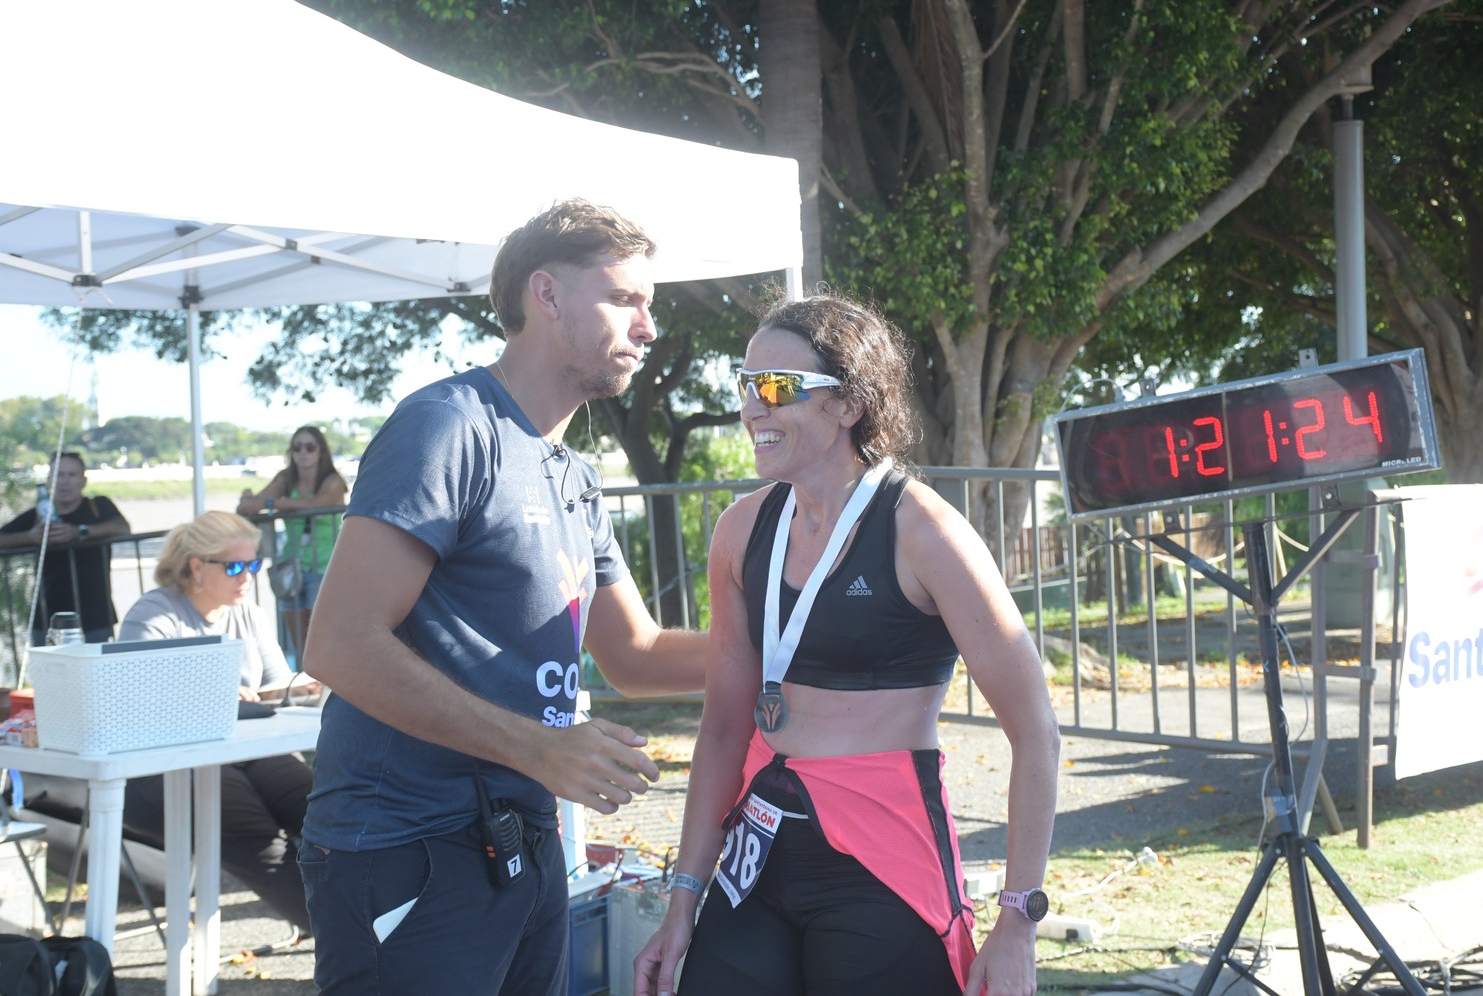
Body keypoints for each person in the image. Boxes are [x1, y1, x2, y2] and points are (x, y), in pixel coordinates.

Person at [299, 198, 708, 996]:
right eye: (625, 298)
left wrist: (799, 645)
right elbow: (339, 643)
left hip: (518, 836)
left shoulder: (574, 473)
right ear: (545, 295)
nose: (647, 328)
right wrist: (534, 746)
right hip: (405, 843)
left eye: (648, 306)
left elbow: (634, 654)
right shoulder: (446, 426)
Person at [633, 293, 1062, 996]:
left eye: (775, 388)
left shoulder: (923, 530)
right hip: (760, 850)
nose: (752, 408)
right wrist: (682, 900)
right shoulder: (741, 531)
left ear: (848, 403)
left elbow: (1036, 732)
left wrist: (1017, 922)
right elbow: (720, 730)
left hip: (882, 853)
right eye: (744, 386)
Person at [27, 510, 317, 934]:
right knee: (256, 838)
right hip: (166, 765)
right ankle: (348, 940)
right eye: (235, 566)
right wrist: (217, 696)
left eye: (254, 564)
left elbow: (278, 689)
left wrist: (307, 685)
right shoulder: (154, 612)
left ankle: (376, 922)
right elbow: (143, 699)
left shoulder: (249, 614)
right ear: (197, 567)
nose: (248, 577)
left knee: (322, 807)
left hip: (245, 748)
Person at [237, 425, 349, 661]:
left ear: (321, 451)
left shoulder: (333, 481)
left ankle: (325, 689)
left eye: (310, 447)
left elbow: (318, 504)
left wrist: (273, 503)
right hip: (292, 565)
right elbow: (250, 506)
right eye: (297, 447)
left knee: (322, 636)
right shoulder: (285, 479)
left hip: (325, 566)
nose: (303, 452)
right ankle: (305, 683)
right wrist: (249, 498)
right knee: (298, 639)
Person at [0, 451, 130, 643]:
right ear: (49, 481)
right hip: (48, 618)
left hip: (95, 616)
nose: (65, 481)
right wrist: (29, 536)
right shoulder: (37, 516)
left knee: (96, 671)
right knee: (48, 672)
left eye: (71, 475)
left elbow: (122, 527)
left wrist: (80, 532)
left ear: (83, 481)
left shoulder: (98, 506)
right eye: (59, 475)